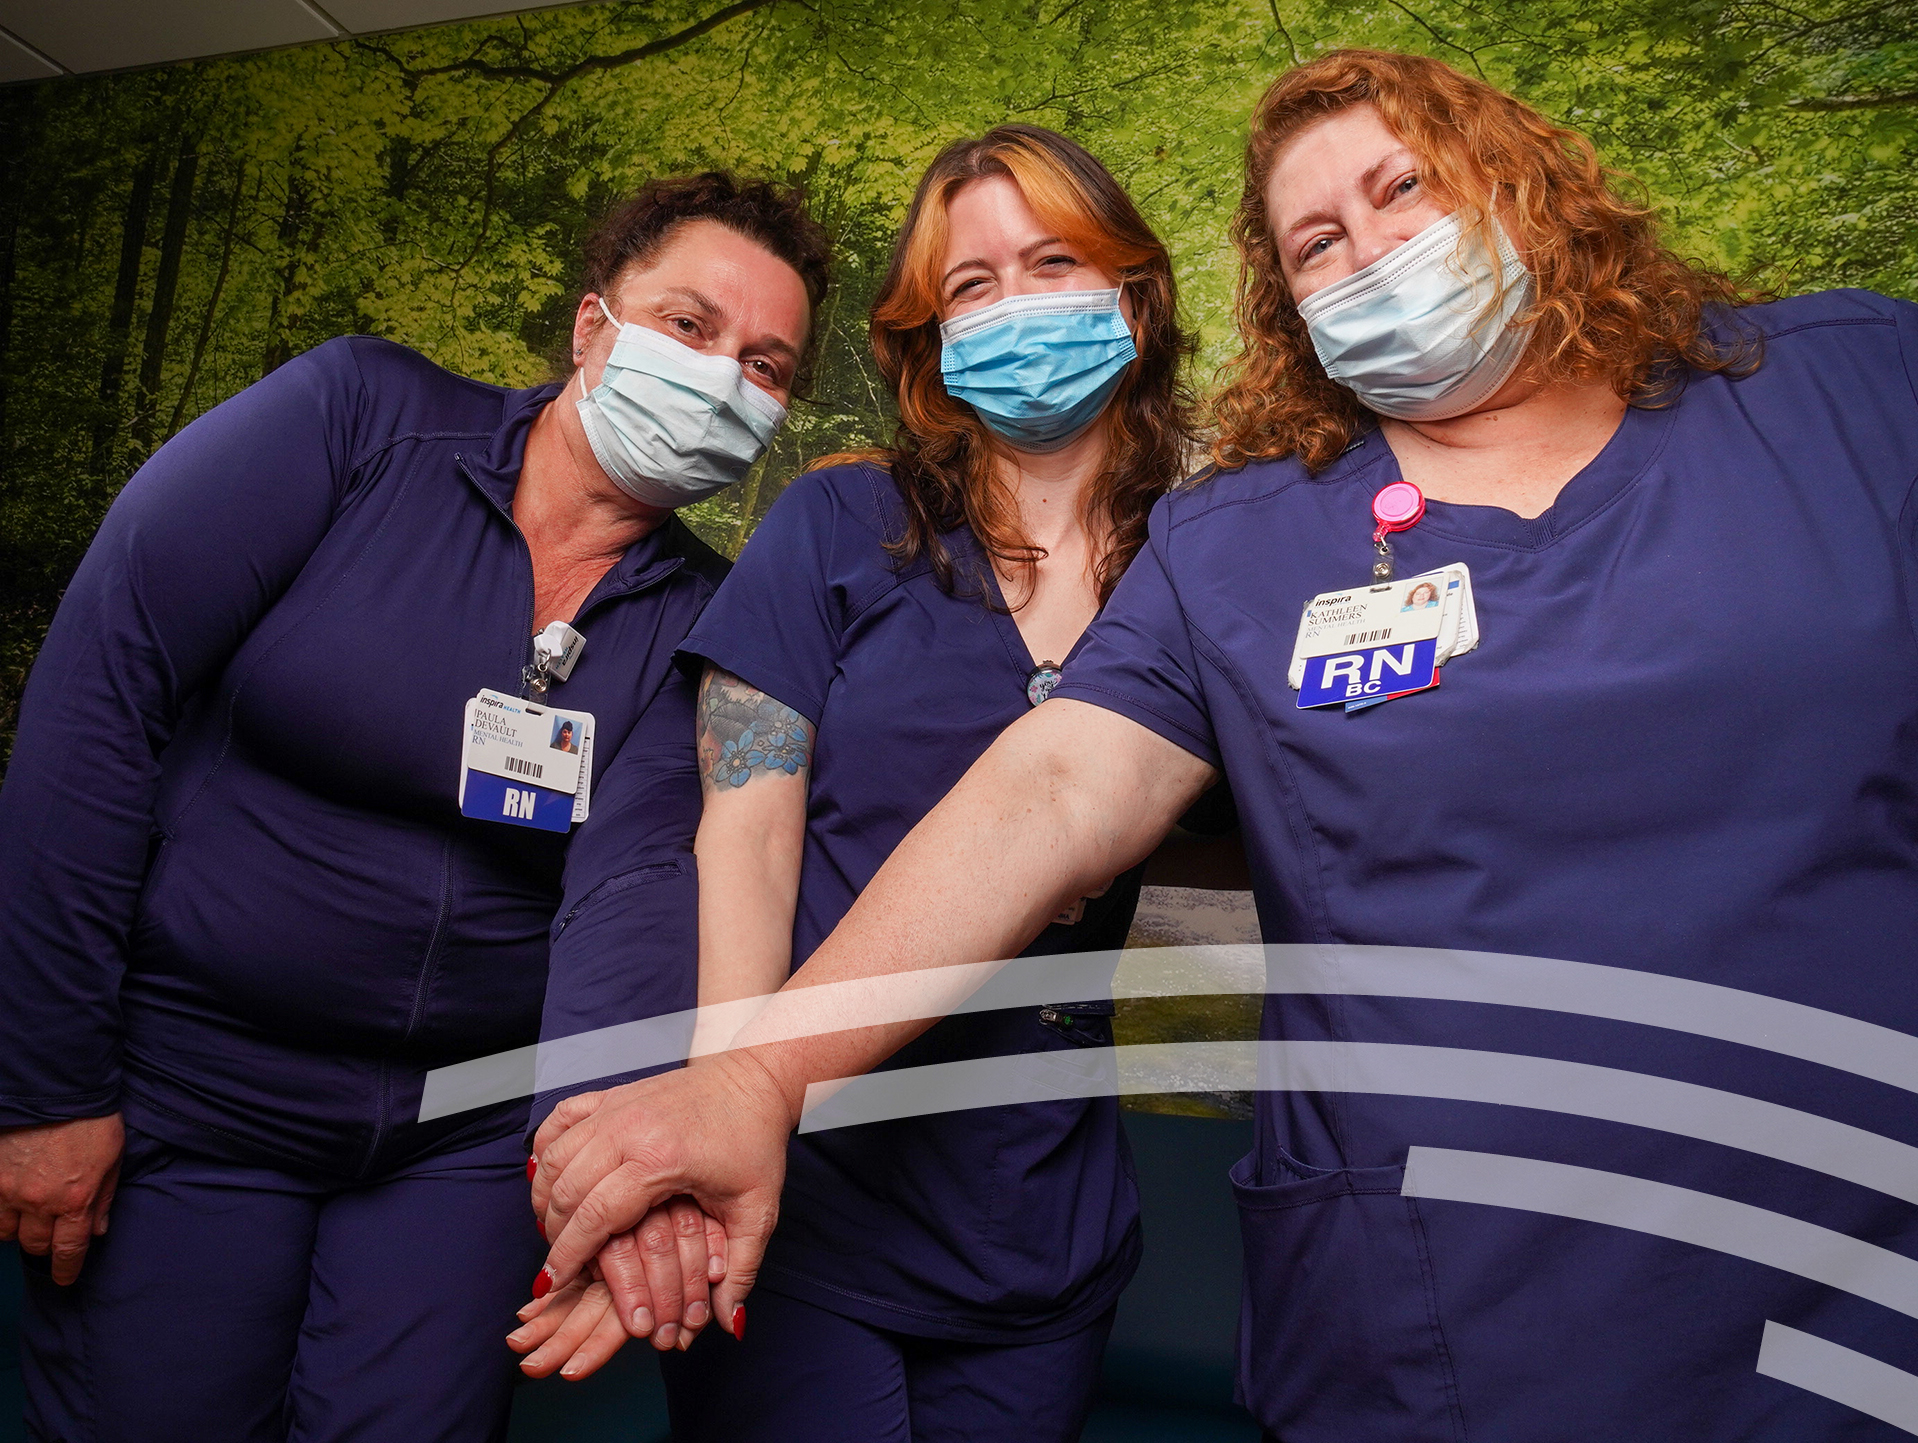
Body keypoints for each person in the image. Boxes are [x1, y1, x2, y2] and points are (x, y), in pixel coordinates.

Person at [520, 50, 1918, 1442]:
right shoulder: (1238, 547)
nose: (1373, 252)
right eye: (1319, 240)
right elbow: (1040, 784)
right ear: (1291, 303)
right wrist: (743, 1076)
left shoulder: (1846, 391)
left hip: (1846, 1258)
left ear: (1519, 179)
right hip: (1443, 1310)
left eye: (1402, 189)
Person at [0, 172, 829, 1441]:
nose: (722, 379)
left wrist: (621, 1173)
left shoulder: (700, 624)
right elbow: (97, 700)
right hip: (193, 1092)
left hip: (464, 1146)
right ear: (591, 327)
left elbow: (628, 901)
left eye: (766, 365)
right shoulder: (356, 422)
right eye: (690, 326)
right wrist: (44, 1085)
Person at [511, 124, 1199, 1438]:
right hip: (808, 1194)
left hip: (1039, 1217)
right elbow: (747, 824)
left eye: (1050, 260)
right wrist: (720, 1113)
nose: (1011, 302)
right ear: (926, 334)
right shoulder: (839, 526)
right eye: (971, 285)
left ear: (1132, 292)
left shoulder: (1206, 560)